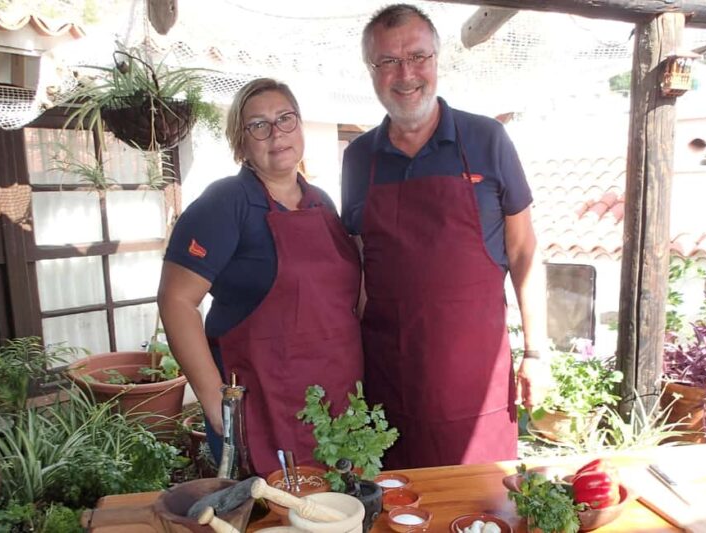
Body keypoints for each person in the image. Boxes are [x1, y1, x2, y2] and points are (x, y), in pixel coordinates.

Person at [341, 4, 550, 469]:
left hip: (476, 381)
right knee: (395, 500)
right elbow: (359, 268)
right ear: (371, 71)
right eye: (388, 61)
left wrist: (536, 353)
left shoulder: (487, 139)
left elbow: (524, 252)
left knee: (482, 501)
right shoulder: (358, 159)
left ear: (437, 59)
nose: (406, 74)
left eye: (418, 56)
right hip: (389, 382)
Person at [158, 78, 363, 476]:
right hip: (264, 404)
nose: (276, 133)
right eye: (258, 125)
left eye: (285, 118)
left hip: (334, 399)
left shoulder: (321, 202)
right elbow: (176, 300)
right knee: (268, 505)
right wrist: (216, 401)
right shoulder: (225, 203)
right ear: (241, 143)